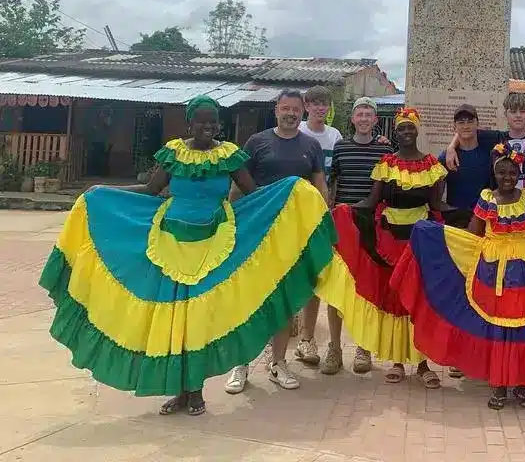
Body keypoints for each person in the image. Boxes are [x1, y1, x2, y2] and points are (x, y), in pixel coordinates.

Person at [37, 95, 336, 417]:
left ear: (218, 124)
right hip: (170, 244)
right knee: (174, 319)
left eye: (213, 122)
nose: (207, 127)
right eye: (201, 122)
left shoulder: (230, 155)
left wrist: (291, 189)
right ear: (189, 124)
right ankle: (179, 391)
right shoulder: (173, 153)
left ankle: (196, 391)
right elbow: (151, 191)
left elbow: (254, 194)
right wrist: (103, 191)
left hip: (214, 243)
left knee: (199, 320)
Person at [392, 142, 525, 409]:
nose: (507, 178)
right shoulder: (486, 199)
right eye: (502, 173)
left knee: (523, 329)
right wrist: (436, 235)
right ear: (495, 173)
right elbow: (473, 233)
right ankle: (499, 385)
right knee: (498, 329)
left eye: (512, 173)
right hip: (491, 272)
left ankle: (521, 385)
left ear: (519, 173)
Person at [319, 107, 462, 388]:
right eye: (401, 129)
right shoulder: (386, 163)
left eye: (410, 128)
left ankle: (422, 363)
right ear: (395, 133)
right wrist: (343, 211)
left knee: (418, 300)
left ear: (417, 130)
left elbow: (437, 205)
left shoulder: (432, 165)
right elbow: (371, 202)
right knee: (397, 300)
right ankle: (397, 361)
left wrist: (467, 218)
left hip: (420, 241)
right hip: (390, 240)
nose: (406, 133)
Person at [225, 89, 329, 395]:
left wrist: (324, 222)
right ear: (276, 110)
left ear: (303, 111)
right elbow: (237, 188)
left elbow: (319, 186)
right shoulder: (257, 142)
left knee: (284, 300)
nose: (291, 113)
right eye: (286, 108)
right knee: (250, 300)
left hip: (292, 235)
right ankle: (240, 364)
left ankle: (278, 363)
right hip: (257, 233)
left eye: (296, 109)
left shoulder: (311, 146)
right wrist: (232, 223)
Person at [322, 97, 392, 375]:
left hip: (372, 225)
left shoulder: (386, 150)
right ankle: (334, 348)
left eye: (369, 114)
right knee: (336, 286)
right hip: (343, 223)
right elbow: (333, 183)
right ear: (352, 119)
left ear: (376, 121)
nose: (364, 118)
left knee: (367, 288)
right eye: (359, 114)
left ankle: (363, 348)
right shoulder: (340, 148)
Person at [295, 85, 343, 368]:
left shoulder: (334, 136)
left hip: (326, 209)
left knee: (323, 272)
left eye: (325, 104)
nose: (320, 109)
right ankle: (303, 337)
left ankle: (318, 340)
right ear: (306, 105)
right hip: (299, 210)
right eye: (315, 104)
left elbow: (333, 175)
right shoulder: (298, 132)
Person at [444, 92, 525, 192]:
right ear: (505, 114)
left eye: (522, 111)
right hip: (501, 209)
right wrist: (451, 147)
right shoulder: (495, 138)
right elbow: (467, 131)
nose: (518, 115)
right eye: (513, 111)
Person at [440, 104, 493, 210]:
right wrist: (453, 212)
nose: (466, 126)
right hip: (456, 221)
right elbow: (436, 199)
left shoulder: (490, 153)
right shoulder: (445, 158)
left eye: (470, 121)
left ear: (477, 123)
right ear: (454, 126)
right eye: (461, 122)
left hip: (484, 218)